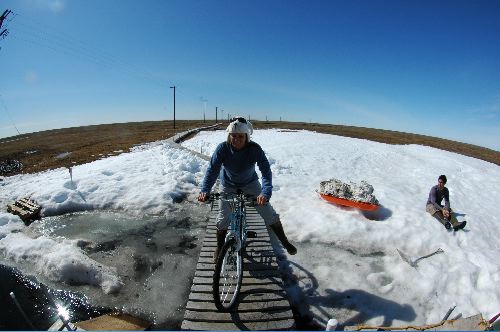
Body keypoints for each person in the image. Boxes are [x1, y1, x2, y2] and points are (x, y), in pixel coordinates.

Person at [198, 116, 297, 261]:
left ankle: (284, 241)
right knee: (222, 218)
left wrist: (265, 192)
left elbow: (265, 171)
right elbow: (212, 170)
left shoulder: (254, 149)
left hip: (250, 183)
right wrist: (205, 190)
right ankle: (219, 247)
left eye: (240, 136)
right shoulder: (222, 148)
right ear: (229, 135)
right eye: (233, 136)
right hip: (228, 184)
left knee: (268, 212)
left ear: (246, 137)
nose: (236, 139)